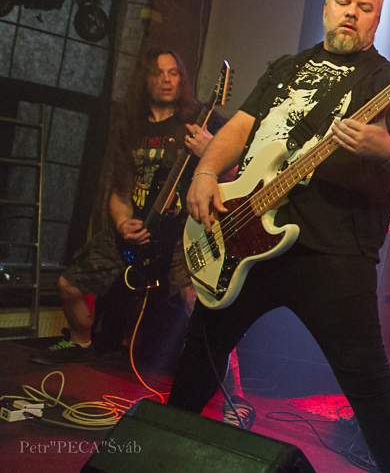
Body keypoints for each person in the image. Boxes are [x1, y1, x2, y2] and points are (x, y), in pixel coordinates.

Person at [170, 0, 390, 472]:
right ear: (326, 6)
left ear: (377, 19)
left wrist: (386, 148)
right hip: (244, 232)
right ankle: (159, 455)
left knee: (369, 385)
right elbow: (240, 128)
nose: (352, 13)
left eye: (366, 8)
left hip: (333, 250)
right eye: (344, 3)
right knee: (199, 356)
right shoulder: (285, 68)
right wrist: (205, 172)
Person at [30, 48, 253, 428]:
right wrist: (122, 223)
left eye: (173, 72)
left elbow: (238, 174)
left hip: (186, 229)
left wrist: (210, 153)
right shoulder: (130, 128)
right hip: (139, 228)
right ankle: (80, 343)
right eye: (158, 72)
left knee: (199, 301)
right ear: (145, 79)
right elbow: (119, 191)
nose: (166, 79)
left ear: (182, 79)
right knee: (68, 284)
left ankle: (235, 394)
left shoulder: (202, 119)